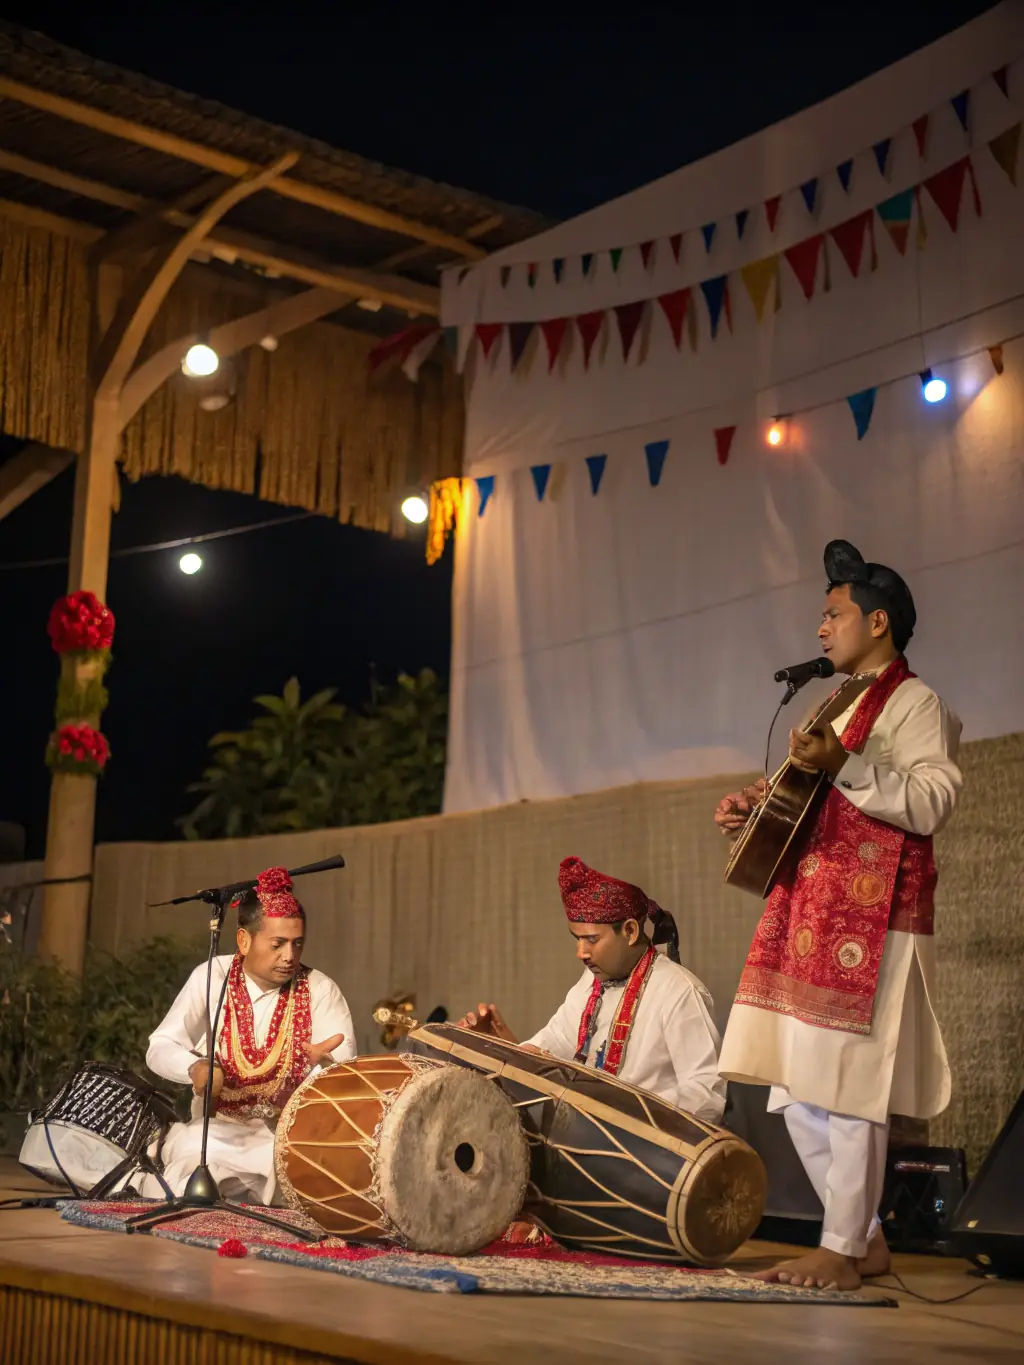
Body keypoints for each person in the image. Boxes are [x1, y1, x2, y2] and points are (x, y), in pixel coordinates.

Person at [715, 539, 962, 1291]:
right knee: (793, 1090)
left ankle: (839, 1245)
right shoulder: (836, 702)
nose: (820, 629)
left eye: (834, 614)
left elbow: (931, 799)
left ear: (877, 620)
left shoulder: (917, 704)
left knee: (849, 1082)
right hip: (810, 913)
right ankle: (864, 1239)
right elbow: (811, 801)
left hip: (871, 920)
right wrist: (756, 811)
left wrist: (844, 765)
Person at [140, 866, 356, 1205]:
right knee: (194, 1149)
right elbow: (160, 1046)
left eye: (297, 944)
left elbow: (346, 1079)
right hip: (219, 1133)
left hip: (287, 1140)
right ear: (244, 940)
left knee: (313, 1168)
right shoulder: (213, 976)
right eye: (278, 944)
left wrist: (324, 1068)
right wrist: (194, 1068)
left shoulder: (320, 990)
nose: (290, 956)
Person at [457, 856, 726, 1123]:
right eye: (577, 939)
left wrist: (628, 1117)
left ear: (630, 931)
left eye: (591, 939)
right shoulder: (591, 982)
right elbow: (557, 1043)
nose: (581, 953)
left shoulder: (679, 992)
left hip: (646, 1155)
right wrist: (501, 1049)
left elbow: (707, 1094)